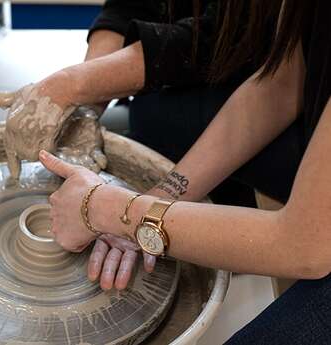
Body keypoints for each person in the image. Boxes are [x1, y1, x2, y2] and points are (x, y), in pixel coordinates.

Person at [36, 0, 331, 343]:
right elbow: (281, 84)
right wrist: (161, 196)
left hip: (314, 243)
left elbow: (305, 246)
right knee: (155, 117)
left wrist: (109, 208)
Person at [0, 0, 279, 290]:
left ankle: (220, 232)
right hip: (259, 82)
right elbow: (127, 8)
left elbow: (231, 39)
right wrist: (88, 105)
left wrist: (124, 213)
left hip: (293, 138)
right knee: (152, 114)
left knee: (159, 115)